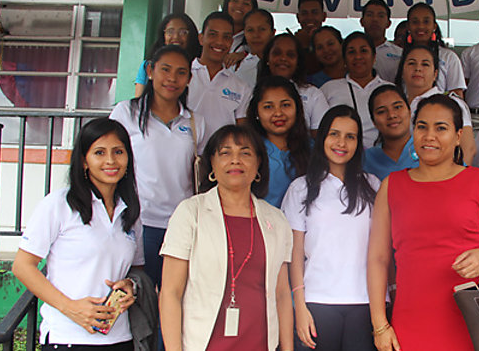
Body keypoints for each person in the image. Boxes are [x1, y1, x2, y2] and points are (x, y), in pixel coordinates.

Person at [367, 94, 479, 351]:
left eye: (441, 128)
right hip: (409, 322)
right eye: (422, 126)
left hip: (471, 323)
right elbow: (378, 259)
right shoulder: (392, 185)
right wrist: (380, 326)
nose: (429, 135)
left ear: (458, 136)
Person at [159, 125, 294, 351]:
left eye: (245, 153)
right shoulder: (191, 212)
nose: (235, 160)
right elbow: (171, 293)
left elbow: (281, 293)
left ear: (259, 164)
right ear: (211, 163)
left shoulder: (276, 219)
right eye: (225, 153)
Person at [12, 118, 141, 349]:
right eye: (99, 153)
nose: (110, 160)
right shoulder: (59, 204)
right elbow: (23, 266)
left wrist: (130, 285)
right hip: (67, 338)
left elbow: (135, 269)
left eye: (118, 152)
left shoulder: (129, 211)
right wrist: (71, 308)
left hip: (120, 338)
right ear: (84, 161)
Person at [283, 105, 379, 351]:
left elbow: (382, 248)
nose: (341, 143)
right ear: (322, 136)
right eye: (334, 134)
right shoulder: (301, 188)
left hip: (365, 301)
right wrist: (300, 306)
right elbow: (295, 253)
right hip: (316, 300)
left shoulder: (372, 186)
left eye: (350, 136)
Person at [110, 45, 204, 289]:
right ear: (150, 71)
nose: (172, 78)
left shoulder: (195, 121)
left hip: (181, 224)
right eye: (165, 69)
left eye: (181, 72)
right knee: (139, 295)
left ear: (189, 78)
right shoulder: (126, 113)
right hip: (137, 221)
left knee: (176, 297)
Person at [394, 44, 476, 165]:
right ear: (402, 71)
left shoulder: (451, 103)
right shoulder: (396, 107)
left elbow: (468, 149)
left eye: (425, 64)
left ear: (435, 74)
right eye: (412, 63)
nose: (418, 69)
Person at [246, 75, 312, 208]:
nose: (278, 113)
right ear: (256, 112)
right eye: (268, 107)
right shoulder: (247, 152)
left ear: (297, 107)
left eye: (285, 105)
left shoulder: (313, 149)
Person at [188, 11, 252, 143]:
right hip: (185, 156)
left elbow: (242, 134)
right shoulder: (183, 76)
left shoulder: (241, 87)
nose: (219, 42)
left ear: (231, 42)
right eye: (213, 34)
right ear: (201, 38)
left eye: (226, 37)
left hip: (222, 159)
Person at [321, 32, 390, 148]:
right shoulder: (329, 88)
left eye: (363, 51)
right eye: (351, 52)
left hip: (382, 158)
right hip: (342, 156)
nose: (358, 57)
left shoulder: (389, 90)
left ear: (374, 57)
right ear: (344, 59)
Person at [258, 33, 329, 134]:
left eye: (290, 55)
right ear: (267, 59)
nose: (283, 58)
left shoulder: (313, 94)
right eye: (277, 53)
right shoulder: (254, 93)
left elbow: (320, 139)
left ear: (298, 62)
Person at [404, 3, 465, 98]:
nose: (421, 26)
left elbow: (457, 95)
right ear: (408, 26)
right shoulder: (400, 55)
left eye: (426, 22)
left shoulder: (448, 57)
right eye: (415, 22)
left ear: (434, 26)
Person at [134, 13, 202, 97]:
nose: (176, 37)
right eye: (170, 32)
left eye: (183, 32)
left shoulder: (199, 66)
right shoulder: (148, 65)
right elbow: (138, 100)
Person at [364, 85, 418, 180]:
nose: (392, 115)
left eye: (397, 107)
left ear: (409, 111)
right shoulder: (365, 160)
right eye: (381, 112)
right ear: (374, 122)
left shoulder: (428, 150)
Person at [360, 0, 401, 83]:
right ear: (362, 21)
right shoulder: (352, 52)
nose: (375, 19)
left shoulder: (400, 54)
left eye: (381, 16)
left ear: (388, 23)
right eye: (370, 15)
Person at [234, 9, 276, 88]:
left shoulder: (281, 65)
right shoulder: (235, 65)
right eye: (250, 30)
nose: (256, 35)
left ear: (272, 32)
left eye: (262, 29)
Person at [222, 0, 258, 69]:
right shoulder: (209, 32)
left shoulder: (255, 40)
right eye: (235, 0)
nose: (239, 6)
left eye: (246, 3)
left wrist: (244, 54)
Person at [295, 0, 326, 75]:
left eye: (314, 12)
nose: (309, 17)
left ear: (324, 16)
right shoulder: (291, 43)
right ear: (298, 17)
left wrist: (306, 45)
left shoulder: (334, 42)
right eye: (304, 13)